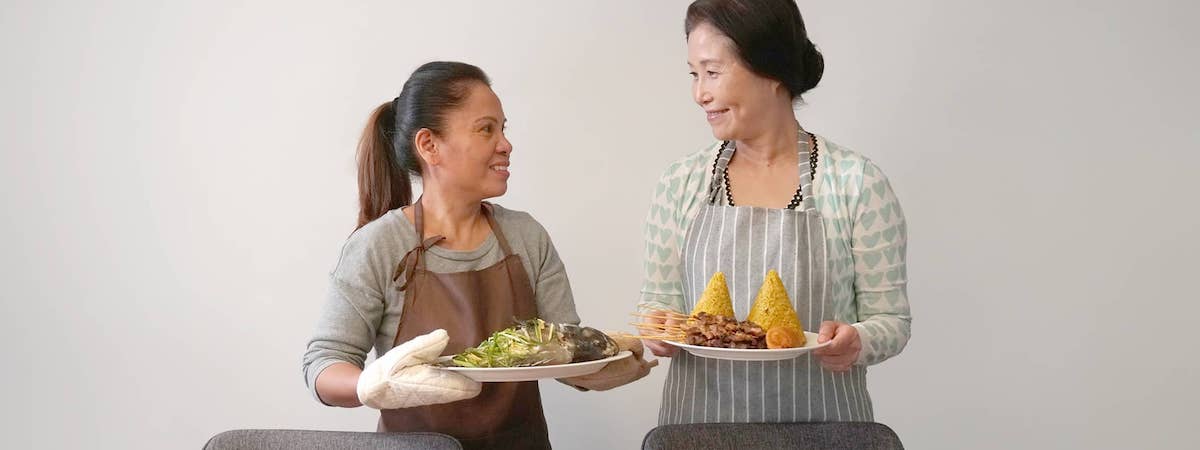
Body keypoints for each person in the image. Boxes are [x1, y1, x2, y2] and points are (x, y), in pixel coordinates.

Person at [302, 61, 654, 449]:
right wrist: (372, 385)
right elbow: (324, 365)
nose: (505, 144)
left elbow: (566, 349)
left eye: (503, 128)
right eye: (486, 129)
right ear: (429, 145)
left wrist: (602, 367)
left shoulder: (525, 236)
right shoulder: (379, 245)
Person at [638, 0, 912, 424]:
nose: (700, 93)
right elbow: (660, 303)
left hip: (825, 429)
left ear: (771, 70)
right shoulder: (679, 183)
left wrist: (859, 339)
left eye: (713, 72)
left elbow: (891, 319)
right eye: (695, 74)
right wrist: (658, 327)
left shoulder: (856, 182)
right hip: (699, 428)